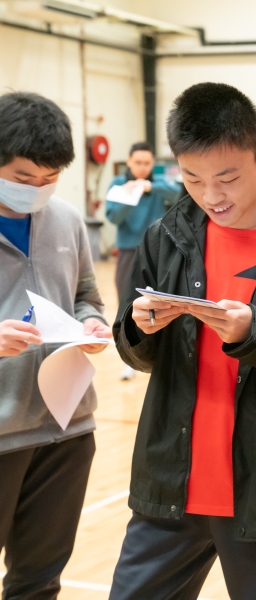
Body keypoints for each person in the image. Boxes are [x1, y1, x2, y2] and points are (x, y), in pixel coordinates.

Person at [109, 83, 256, 600]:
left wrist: (254, 336)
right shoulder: (165, 236)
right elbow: (132, 347)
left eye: (227, 178)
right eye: (192, 178)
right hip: (170, 483)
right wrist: (139, 327)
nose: (211, 196)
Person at [0, 91, 113, 599]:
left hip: (67, 429)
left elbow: (86, 295)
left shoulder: (66, 219)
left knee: (40, 582)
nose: (36, 190)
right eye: (23, 178)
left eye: (49, 179)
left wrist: (92, 325)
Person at [106, 141, 181, 380]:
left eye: (147, 163)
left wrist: (148, 186)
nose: (142, 167)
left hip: (158, 252)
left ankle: (162, 353)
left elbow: (177, 193)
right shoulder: (118, 184)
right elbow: (114, 218)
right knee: (126, 301)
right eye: (138, 162)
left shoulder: (158, 184)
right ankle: (130, 356)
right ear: (129, 161)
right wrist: (131, 195)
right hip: (128, 250)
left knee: (163, 301)